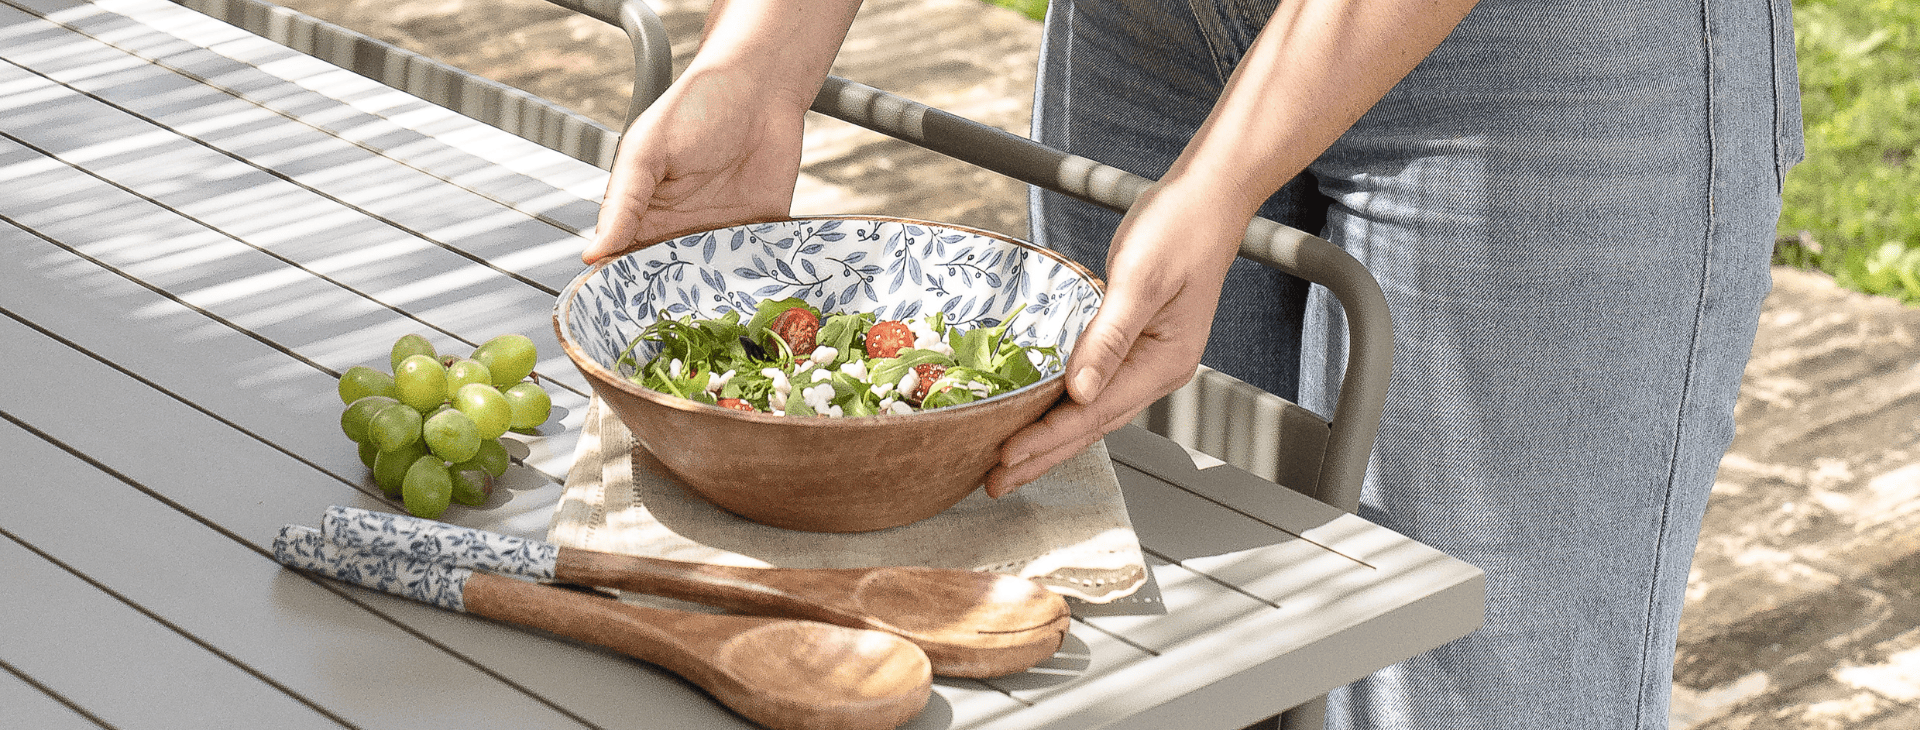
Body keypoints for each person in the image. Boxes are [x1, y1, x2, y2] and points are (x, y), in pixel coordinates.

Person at [583, 0, 1803, 727]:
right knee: (1137, 660)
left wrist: (1222, 180)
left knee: (1471, 690)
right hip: (1149, 32)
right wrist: (761, 62)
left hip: (1539, 56)